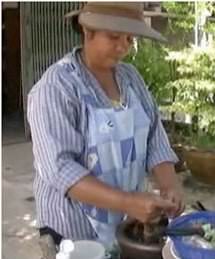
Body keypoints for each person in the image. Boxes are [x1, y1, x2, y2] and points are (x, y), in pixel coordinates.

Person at [27, 2, 183, 254]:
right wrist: (127, 202)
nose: (123, 47)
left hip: (124, 223)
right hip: (73, 231)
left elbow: (155, 137)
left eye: (130, 39)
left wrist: (170, 186)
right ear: (87, 31)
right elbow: (60, 169)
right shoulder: (57, 87)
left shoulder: (131, 78)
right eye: (113, 37)